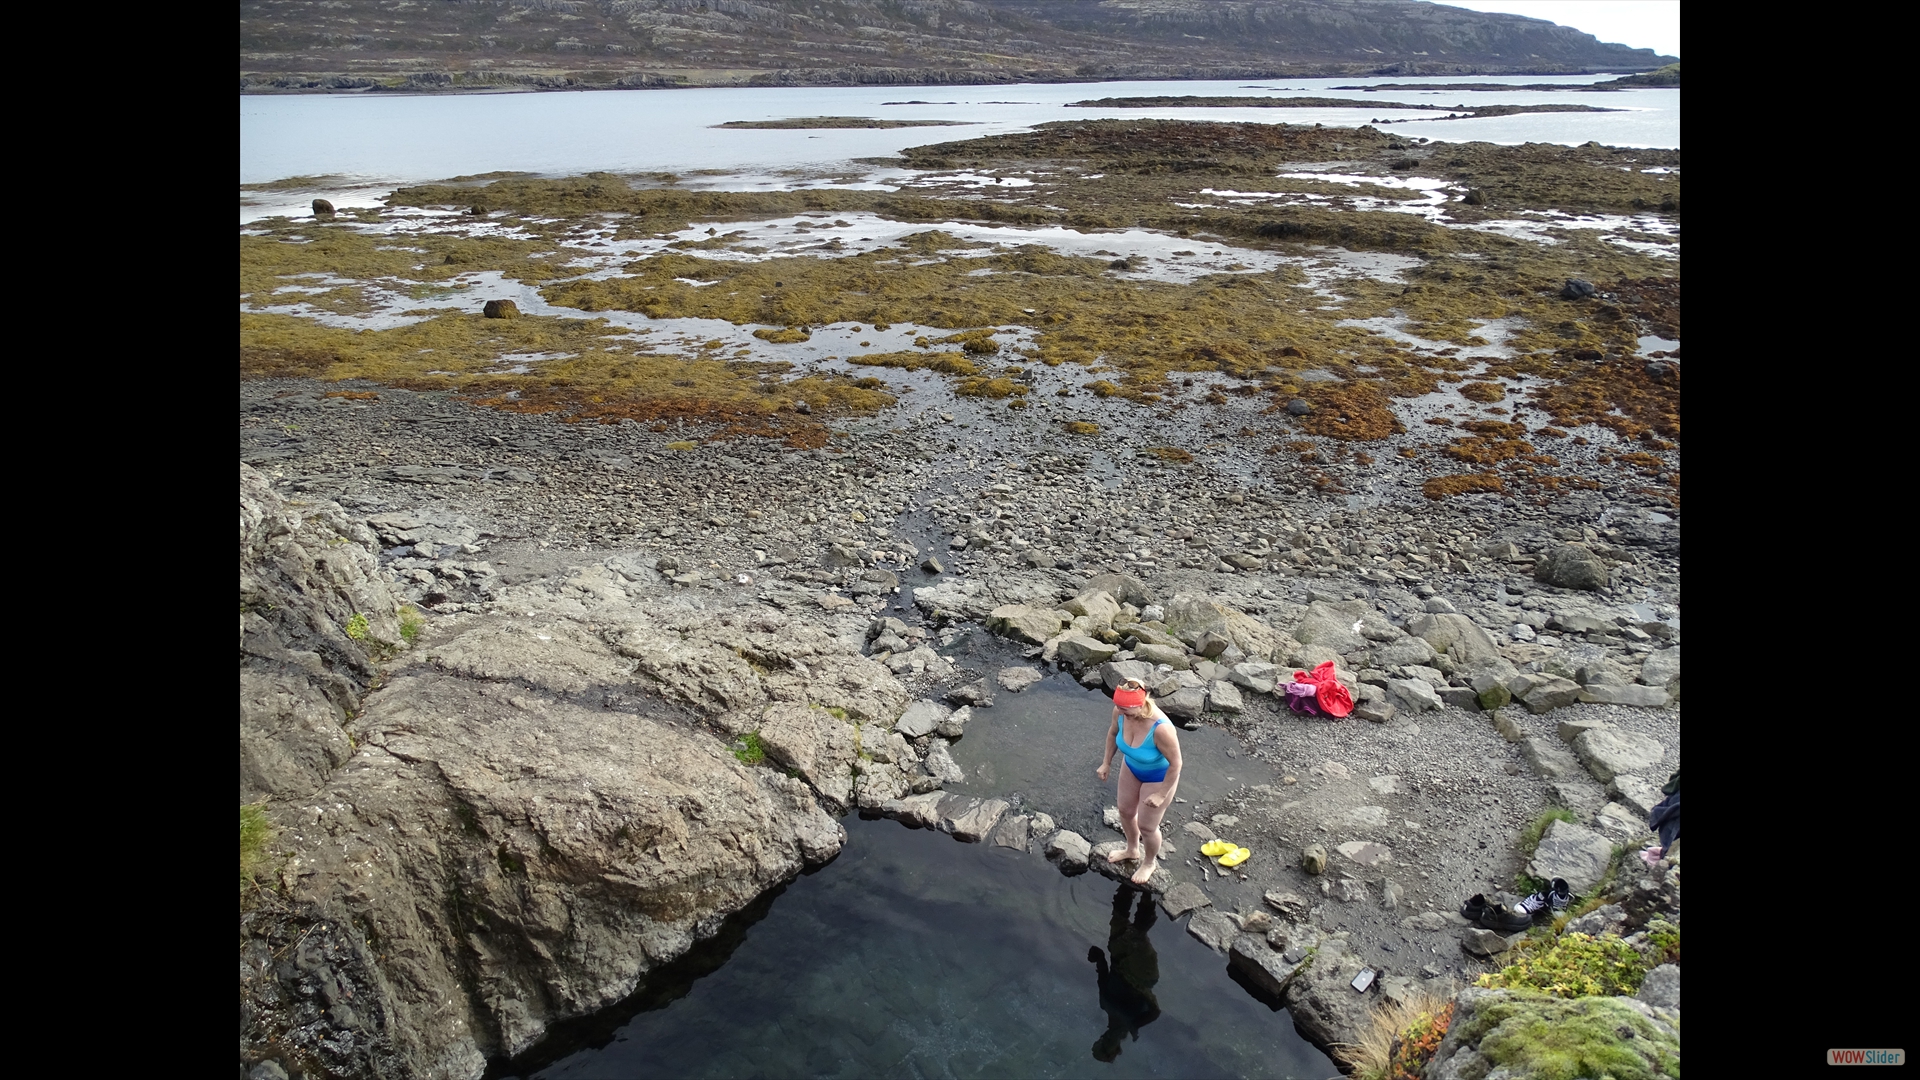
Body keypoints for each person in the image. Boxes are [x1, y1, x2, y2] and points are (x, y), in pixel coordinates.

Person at [1097, 677, 1183, 886]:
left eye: (1125, 709)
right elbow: (1112, 733)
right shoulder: (1120, 712)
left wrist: (1161, 794)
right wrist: (1106, 763)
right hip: (1132, 767)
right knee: (1125, 811)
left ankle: (1149, 862)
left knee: (1147, 826)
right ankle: (1132, 849)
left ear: (1141, 704)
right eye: (1118, 706)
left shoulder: (1161, 728)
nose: (1120, 712)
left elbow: (1176, 763)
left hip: (1159, 777)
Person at [1087, 885, 1161, 1062]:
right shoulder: (1134, 1024)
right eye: (1105, 1047)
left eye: (1099, 1042)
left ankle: (1128, 883)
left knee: (1118, 918)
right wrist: (1141, 989)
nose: (1103, 1040)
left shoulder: (1105, 1006)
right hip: (1140, 974)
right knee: (1137, 935)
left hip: (1118, 960)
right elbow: (1155, 1011)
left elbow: (1102, 977)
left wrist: (1099, 958)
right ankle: (1147, 891)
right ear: (1115, 1050)